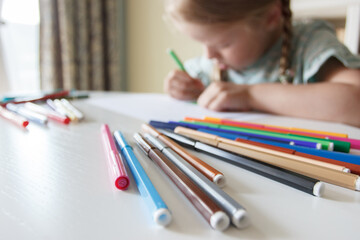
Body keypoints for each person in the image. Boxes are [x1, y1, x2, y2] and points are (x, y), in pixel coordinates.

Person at [163, 0, 360, 127]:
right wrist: (180, 87)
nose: (208, 56)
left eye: (222, 44)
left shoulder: (308, 43)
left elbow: (356, 100)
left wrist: (250, 95)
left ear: (271, 17)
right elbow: (187, 92)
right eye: (202, 44)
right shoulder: (210, 66)